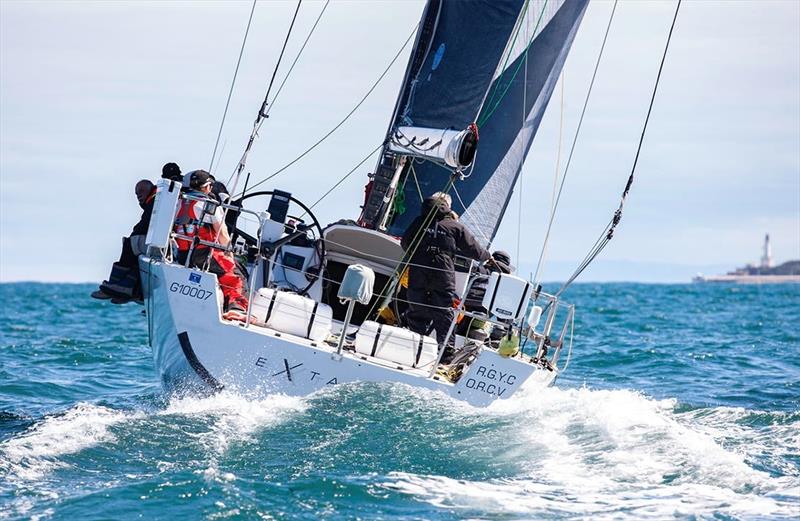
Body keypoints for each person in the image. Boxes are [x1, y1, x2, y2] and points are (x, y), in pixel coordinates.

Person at [400, 192, 491, 344]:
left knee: (417, 307)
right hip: (442, 271)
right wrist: (487, 256)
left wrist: (419, 254)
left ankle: (414, 347)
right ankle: (445, 355)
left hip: (419, 267)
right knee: (443, 311)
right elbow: (474, 250)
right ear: (447, 207)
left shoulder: (419, 221)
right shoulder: (455, 226)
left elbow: (405, 243)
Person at [92, 163, 181, 303]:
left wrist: (133, 236)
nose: (138, 196)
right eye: (136, 194)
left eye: (141, 192)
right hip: (169, 242)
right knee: (137, 252)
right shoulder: (166, 195)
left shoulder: (159, 198)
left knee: (129, 244)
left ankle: (116, 287)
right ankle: (128, 290)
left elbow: (144, 225)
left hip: (167, 244)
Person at [175, 170, 249, 317]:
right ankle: (236, 308)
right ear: (207, 186)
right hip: (204, 253)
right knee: (236, 274)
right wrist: (230, 254)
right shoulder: (209, 205)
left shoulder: (180, 201)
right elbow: (222, 234)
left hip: (183, 254)